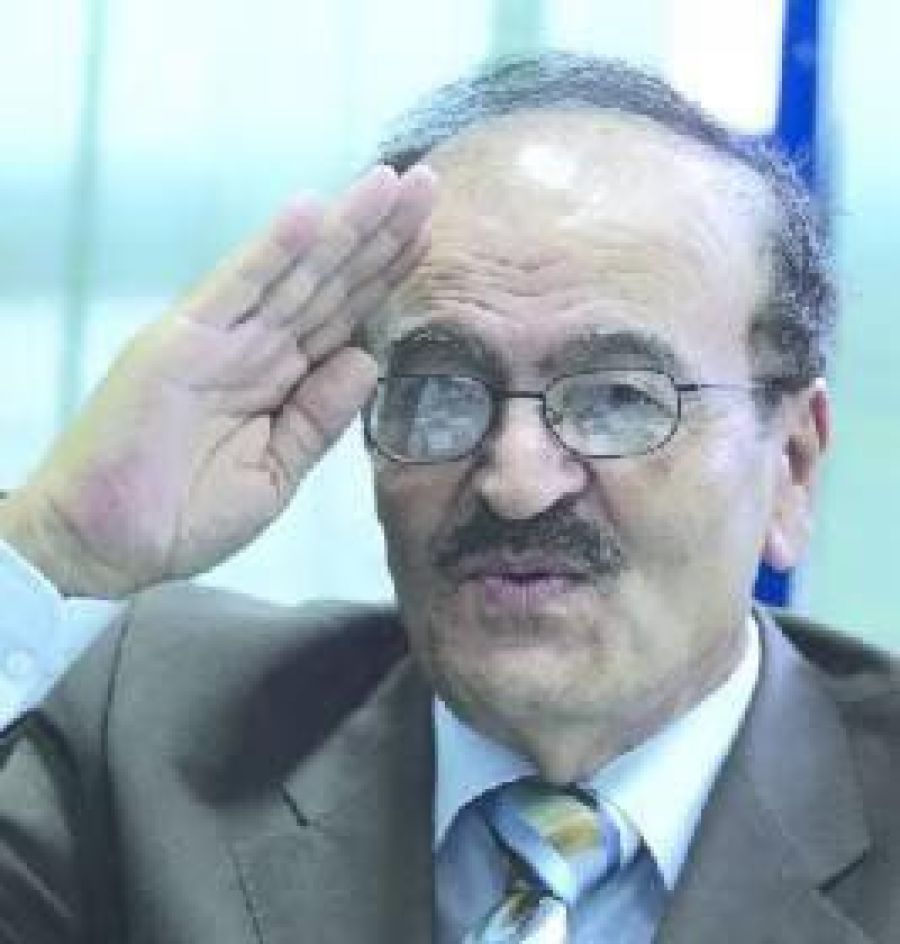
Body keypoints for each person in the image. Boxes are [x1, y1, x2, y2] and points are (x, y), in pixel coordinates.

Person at [0, 50, 898, 944]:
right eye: (441, 392)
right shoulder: (157, 730)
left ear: (792, 464)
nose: (516, 484)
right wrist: (57, 543)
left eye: (619, 399)